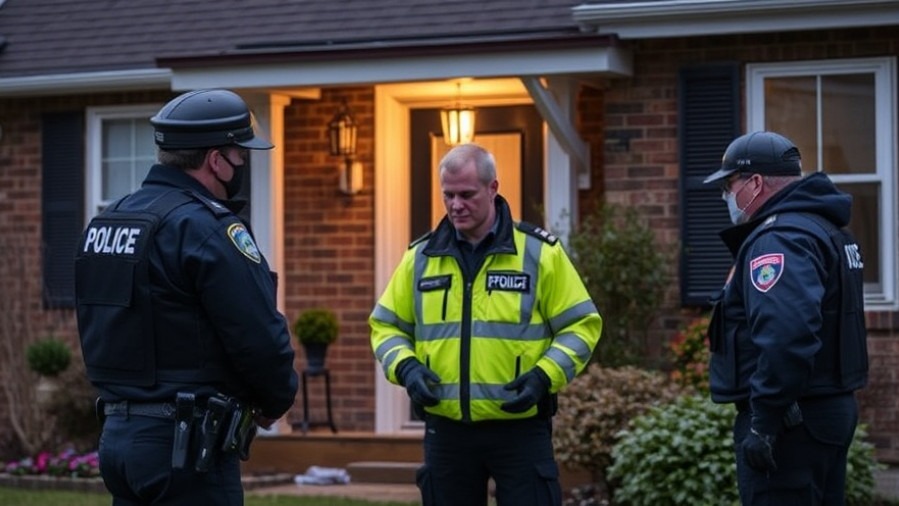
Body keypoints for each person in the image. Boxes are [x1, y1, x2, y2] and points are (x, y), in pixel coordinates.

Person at [75, 89, 299, 505]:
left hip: (119, 439)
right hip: (185, 448)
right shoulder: (207, 227)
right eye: (240, 155)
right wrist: (276, 398)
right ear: (216, 160)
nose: (242, 165)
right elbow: (256, 334)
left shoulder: (106, 223)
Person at [369, 143, 603, 506]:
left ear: (493, 188)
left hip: (520, 427)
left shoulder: (540, 253)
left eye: (466, 194)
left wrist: (544, 376)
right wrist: (407, 368)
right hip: (447, 431)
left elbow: (582, 325)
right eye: (448, 195)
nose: (455, 205)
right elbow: (385, 327)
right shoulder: (420, 257)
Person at [703, 131, 868, 505]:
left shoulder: (779, 239)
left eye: (730, 184)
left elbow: (786, 335)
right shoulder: (827, 230)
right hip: (827, 410)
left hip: (791, 423)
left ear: (755, 182)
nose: (726, 196)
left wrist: (764, 421)